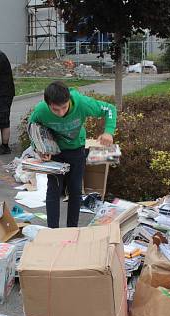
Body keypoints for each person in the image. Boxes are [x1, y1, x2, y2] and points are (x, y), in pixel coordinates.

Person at [29, 81, 117, 228]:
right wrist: (40, 148)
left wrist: (108, 131)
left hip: (76, 149)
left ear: (69, 100)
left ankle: (72, 228)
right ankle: (53, 230)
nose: (61, 113)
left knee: (75, 190)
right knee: (53, 189)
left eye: (64, 107)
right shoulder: (40, 111)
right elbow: (32, 129)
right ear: (48, 104)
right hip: (55, 152)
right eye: (56, 110)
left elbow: (109, 109)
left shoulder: (81, 103)